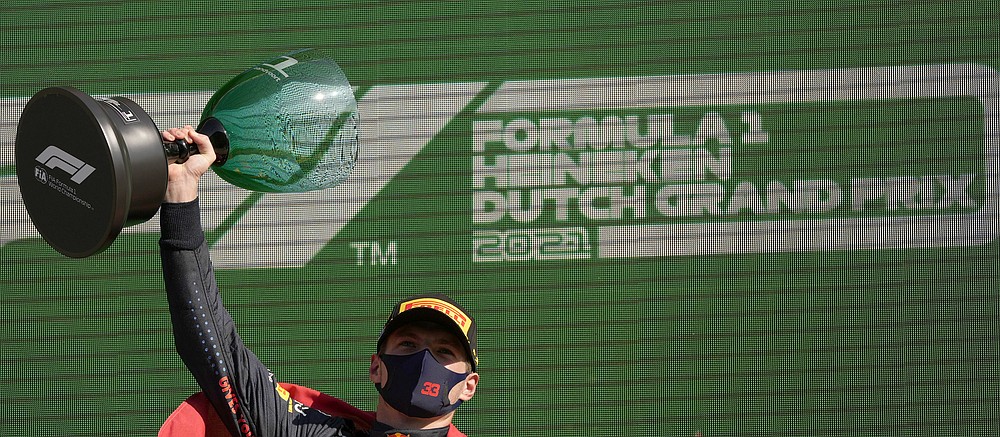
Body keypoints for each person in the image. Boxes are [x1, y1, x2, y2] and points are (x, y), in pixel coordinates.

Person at [158, 126, 479, 437]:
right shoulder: (304, 431)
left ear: (469, 385)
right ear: (376, 368)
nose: (424, 360)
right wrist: (180, 191)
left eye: (444, 352)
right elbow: (214, 345)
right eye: (408, 344)